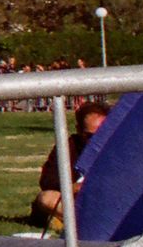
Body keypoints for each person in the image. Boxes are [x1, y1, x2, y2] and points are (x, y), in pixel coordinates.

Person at [31, 98, 109, 229]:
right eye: (89, 136)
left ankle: (68, 222)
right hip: (75, 201)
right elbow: (47, 181)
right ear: (79, 130)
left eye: (101, 134)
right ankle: (88, 224)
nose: (95, 141)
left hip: (105, 200)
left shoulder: (116, 147)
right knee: (46, 198)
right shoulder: (68, 146)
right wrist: (73, 187)